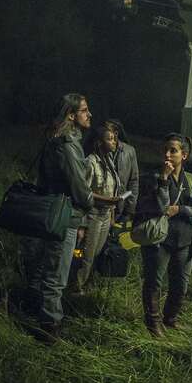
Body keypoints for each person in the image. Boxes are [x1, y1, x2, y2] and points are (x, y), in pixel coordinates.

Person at [21, 94, 99, 343]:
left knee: (44, 267)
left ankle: (32, 310)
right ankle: (49, 327)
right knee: (57, 273)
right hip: (64, 215)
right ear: (71, 115)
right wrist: (91, 202)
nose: (89, 114)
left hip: (53, 210)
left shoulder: (57, 140)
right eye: (84, 110)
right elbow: (78, 185)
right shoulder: (67, 144)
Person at [139, 134, 192, 336]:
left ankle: (170, 319)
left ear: (184, 155)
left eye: (173, 150)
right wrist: (163, 179)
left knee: (180, 284)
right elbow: (162, 206)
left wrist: (181, 209)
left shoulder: (191, 180)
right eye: (165, 150)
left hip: (184, 240)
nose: (167, 155)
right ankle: (153, 323)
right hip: (159, 240)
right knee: (154, 282)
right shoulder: (153, 178)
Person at [73, 124, 120, 292]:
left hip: (105, 215)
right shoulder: (90, 162)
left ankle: (86, 286)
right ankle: (75, 288)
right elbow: (84, 192)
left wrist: (112, 214)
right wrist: (82, 225)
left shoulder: (109, 161)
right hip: (92, 215)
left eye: (114, 139)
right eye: (110, 139)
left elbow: (111, 189)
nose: (114, 142)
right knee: (86, 256)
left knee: (96, 254)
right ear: (99, 143)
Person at [105, 118, 139, 223]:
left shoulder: (129, 151)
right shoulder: (101, 148)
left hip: (121, 208)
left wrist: (130, 209)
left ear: (116, 133)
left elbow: (133, 181)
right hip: (103, 206)